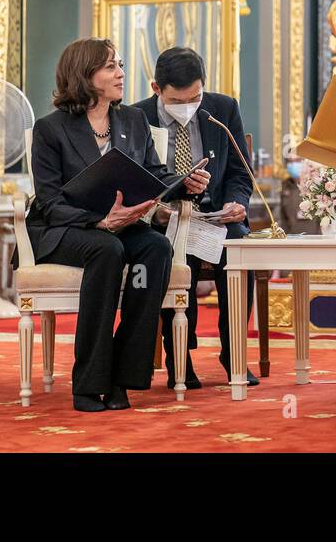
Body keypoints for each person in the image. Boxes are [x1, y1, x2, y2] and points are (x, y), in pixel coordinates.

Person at [24, 38, 210, 412]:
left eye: (120, 64)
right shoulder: (50, 129)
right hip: (65, 230)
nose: (121, 73)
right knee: (107, 249)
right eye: (110, 66)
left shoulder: (132, 120)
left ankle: (124, 374)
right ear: (85, 75)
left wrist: (184, 184)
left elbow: (155, 175)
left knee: (157, 247)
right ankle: (89, 381)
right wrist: (99, 221)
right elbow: (49, 201)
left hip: (121, 225)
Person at [132, 46, 259, 389]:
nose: (189, 106)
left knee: (238, 246)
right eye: (178, 100)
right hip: (168, 217)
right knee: (168, 250)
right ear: (156, 89)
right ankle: (178, 357)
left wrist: (236, 203)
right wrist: (167, 202)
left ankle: (233, 351)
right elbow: (136, 180)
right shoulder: (136, 117)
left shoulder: (222, 108)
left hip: (217, 214)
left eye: (196, 96)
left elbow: (239, 171)